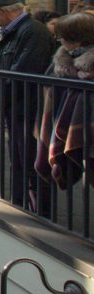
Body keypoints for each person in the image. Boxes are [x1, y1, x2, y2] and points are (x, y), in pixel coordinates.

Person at [0, 0, 57, 209]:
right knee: (19, 157)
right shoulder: (14, 32)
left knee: (30, 158)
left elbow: (23, 69)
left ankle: (38, 208)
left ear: (5, 12)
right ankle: (21, 201)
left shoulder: (32, 32)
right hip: (15, 106)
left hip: (28, 107)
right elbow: (0, 65)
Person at [35, 12, 94, 188]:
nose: (59, 40)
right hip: (67, 122)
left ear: (78, 39)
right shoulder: (62, 61)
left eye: (62, 37)